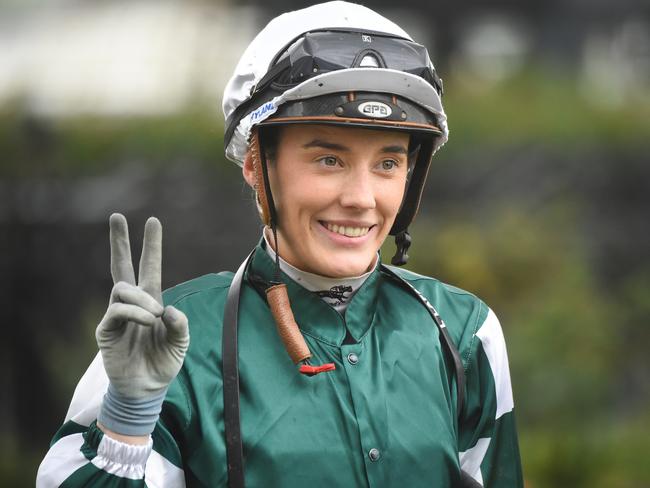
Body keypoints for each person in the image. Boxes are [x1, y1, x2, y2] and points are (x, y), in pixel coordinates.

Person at [37, 2, 523, 487]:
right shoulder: (164, 341)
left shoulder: (463, 333)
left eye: (388, 163)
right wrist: (127, 420)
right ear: (255, 164)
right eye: (329, 160)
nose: (361, 199)